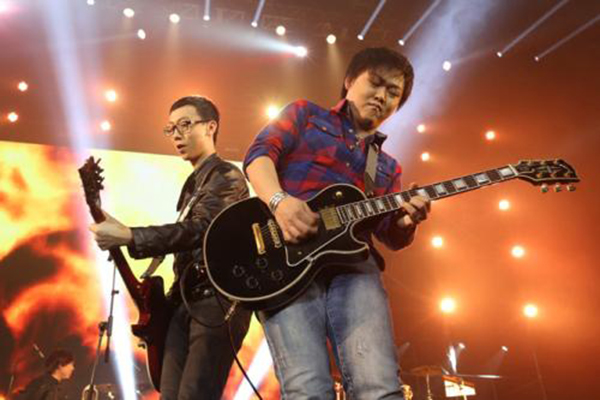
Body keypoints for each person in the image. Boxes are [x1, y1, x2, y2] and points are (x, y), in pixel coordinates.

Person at [243, 47, 431, 399]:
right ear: (349, 80)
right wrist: (280, 202)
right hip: (286, 262)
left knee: (379, 386)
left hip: (355, 268)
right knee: (307, 389)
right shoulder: (305, 114)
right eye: (376, 83)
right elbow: (259, 155)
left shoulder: (387, 166)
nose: (382, 96)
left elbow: (389, 234)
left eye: (393, 93)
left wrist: (407, 219)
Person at [89, 95, 252, 400]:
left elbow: (201, 230)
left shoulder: (227, 176)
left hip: (216, 302)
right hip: (183, 303)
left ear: (211, 127)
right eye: (171, 128)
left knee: (194, 395)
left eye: (185, 124)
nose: (177, 134)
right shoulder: (194, 185)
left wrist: (131, 236)